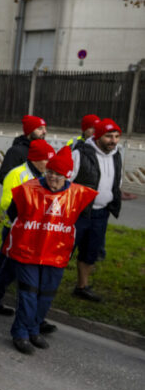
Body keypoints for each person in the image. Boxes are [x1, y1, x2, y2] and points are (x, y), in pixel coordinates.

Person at [3, 147, 97, 354]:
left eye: (58, 174)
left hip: (56, 254)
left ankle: (34, 329)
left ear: (68, 175)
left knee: (45, 295)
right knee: (28, 293)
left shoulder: (78, 195)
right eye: (50, 172)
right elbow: (12, 214)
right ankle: (20, 333)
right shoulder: (28, 189)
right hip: (28, 251)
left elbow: (82, 225)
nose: (53, 177)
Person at [0, 139, 56, 319]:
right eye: (47, 160)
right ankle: (0, 303)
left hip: (37, 231)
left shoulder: (46, 175)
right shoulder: (17, 174)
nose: (49, 164)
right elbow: (7, 203)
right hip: (17, 231)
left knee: (15, 271)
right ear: (36, 159)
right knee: (11, 270)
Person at [70, 118, 123, 302]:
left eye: (116, 136)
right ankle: (48, 284)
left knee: (90, 251)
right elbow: (66, 180)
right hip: (79, 212)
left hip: (101, 213)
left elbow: (117, 179)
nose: (113, 140)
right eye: (109, 136)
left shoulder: (116, 154)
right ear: (98, 136)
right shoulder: (80, 154)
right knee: (65, 249)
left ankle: (82, 287)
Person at [0, 115, 47, 184]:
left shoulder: (43, 150)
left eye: (45, 128)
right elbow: (3, 177)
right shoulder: (16, 151)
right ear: (29, 131)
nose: (44, 131)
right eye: (40, 128)